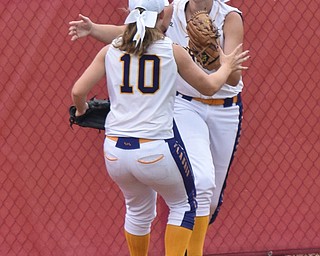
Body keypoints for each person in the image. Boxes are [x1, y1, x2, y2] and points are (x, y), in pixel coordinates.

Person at [69, 0, 247, 255]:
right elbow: (208, 85)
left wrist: (82, 109)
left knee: (143, 209)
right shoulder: (170, 48)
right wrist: (225, 62)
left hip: (115, 150)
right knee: (190, 198)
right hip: (163, 136)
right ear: (164, 14)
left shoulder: (112, 49)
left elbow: (78, 91)